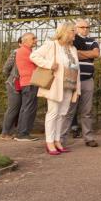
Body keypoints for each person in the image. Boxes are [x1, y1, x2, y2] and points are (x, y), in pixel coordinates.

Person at [30, 22, 80, 155]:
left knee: (62, 113)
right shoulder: (51, 45)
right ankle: (50, 142)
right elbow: (34, 56)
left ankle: (57, 140)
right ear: (64, 32)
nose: (75, 33)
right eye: (72, 30)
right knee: (53, 113)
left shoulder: (73, 49)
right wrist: (49, 64)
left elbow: (75, 68)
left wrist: (77, 88)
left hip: (69, 85)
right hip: (55, 85)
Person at [60, 19, 99, 147]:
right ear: (76, 28)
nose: (85, 29)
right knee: (69, 110)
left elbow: (96, 53)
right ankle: (61, 139)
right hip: (73, 80)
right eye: (82, 27)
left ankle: (88, 138)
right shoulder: (70, 40)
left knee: (87, 111)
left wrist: (79, 53)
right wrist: (88, 54)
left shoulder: (93, 40)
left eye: (87, 27)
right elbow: (72, 54)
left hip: (88, 80)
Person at [1, 33, 40, 141]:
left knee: (22, 108)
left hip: (22, 83)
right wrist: (14, 77)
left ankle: (17, 132)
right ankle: (5, 132)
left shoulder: (30, 52)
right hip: (14, 84)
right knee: (14, 108)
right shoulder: (17, 52)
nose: (36, 40)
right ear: (21, 43)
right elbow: (5, 69)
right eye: (33, 39)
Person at [13, 32, 39, 141]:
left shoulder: (23, 51)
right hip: (30, 83)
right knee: (29, 108)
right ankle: (23, 133)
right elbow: (39, 62)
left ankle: (21, 132)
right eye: (33, 38)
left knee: (25, 108)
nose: (35, 40)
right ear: (25, 41)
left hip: (27, 83)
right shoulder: (26, 52)